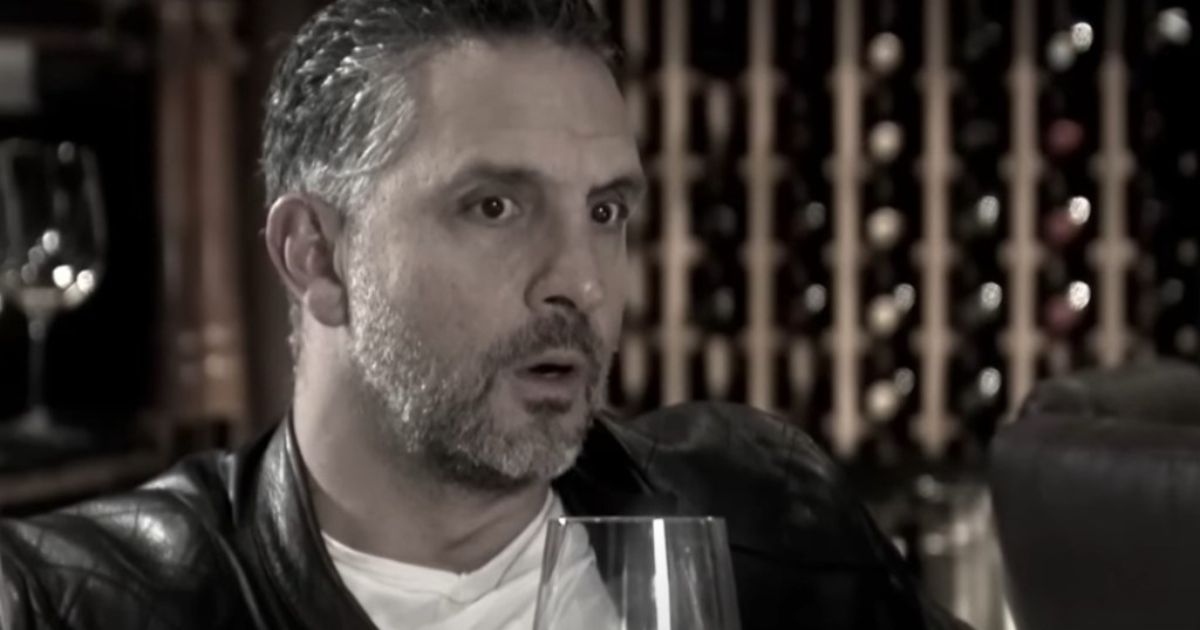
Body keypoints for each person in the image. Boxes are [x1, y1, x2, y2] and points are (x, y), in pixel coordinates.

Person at [0, 1, 969, 628]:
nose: (580, 283)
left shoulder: (767, 519)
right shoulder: (73, 602)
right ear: (315, 255)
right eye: (495, 207)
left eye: (606, 212)